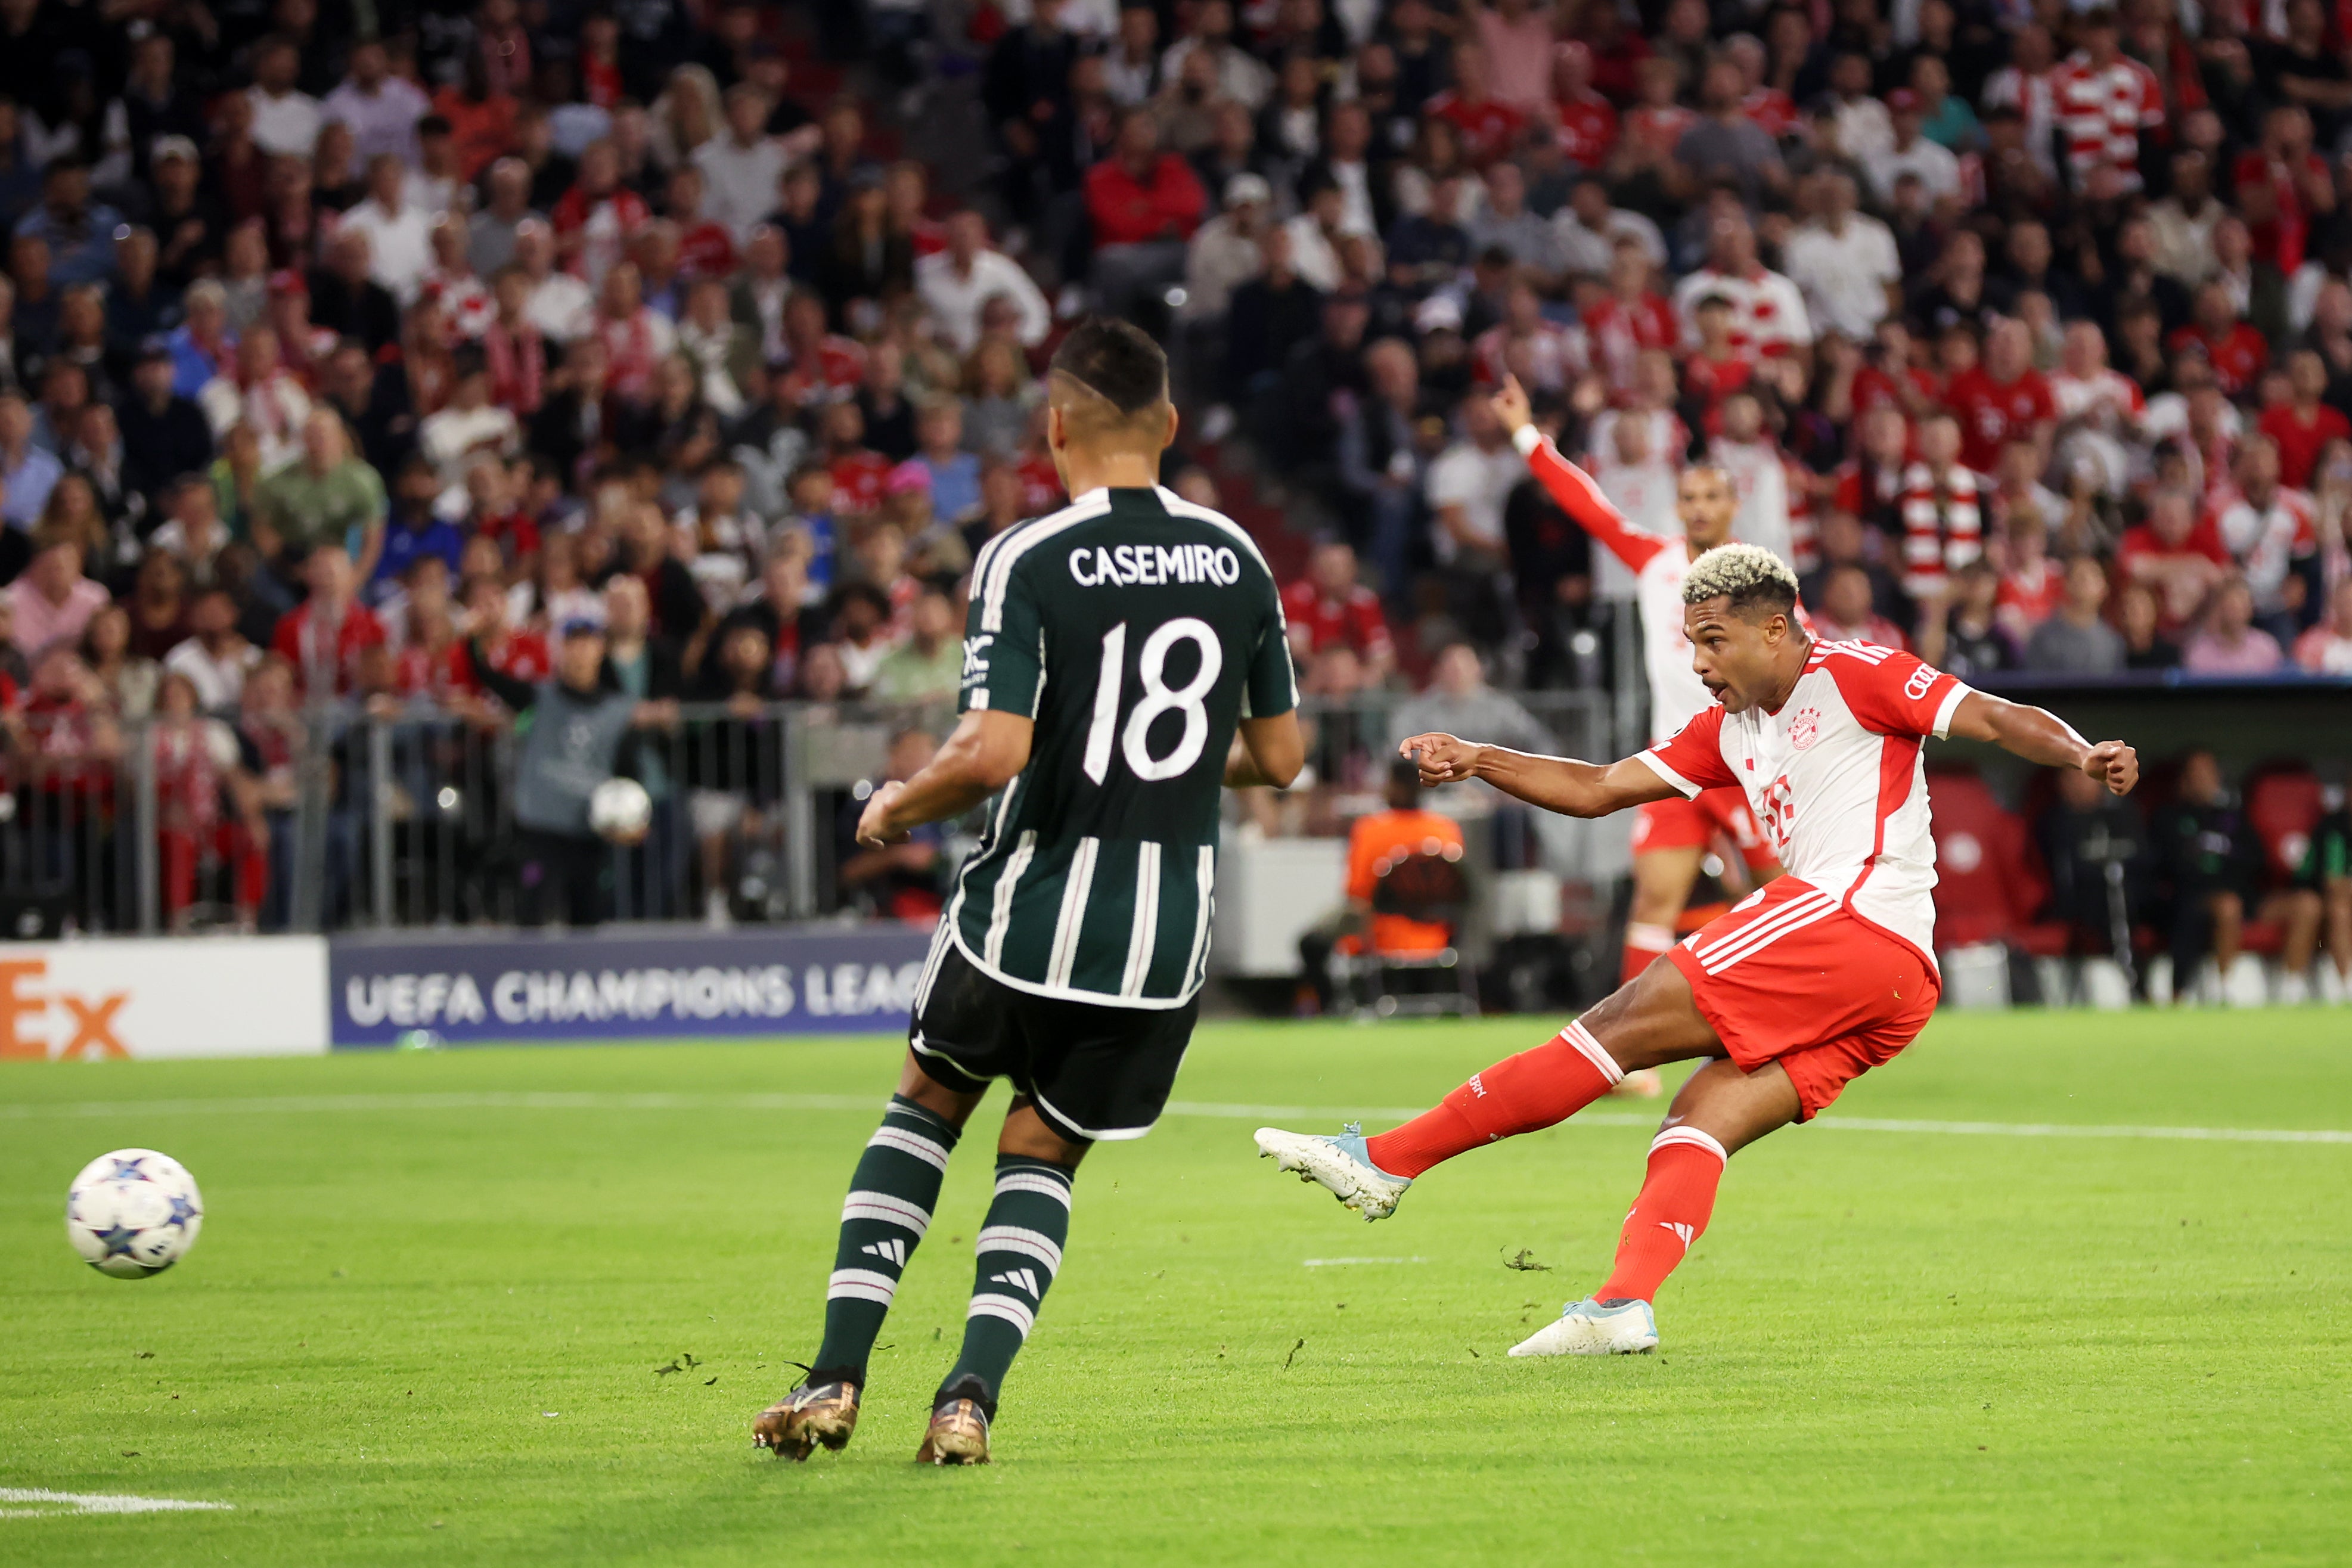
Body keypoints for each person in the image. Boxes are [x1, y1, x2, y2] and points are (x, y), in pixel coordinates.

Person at [1255, 542, 2139, 1356]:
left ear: (1775, 627)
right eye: (1690, 643)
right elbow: (1601, 786)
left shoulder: (1856, 673)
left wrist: (2078, 754)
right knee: (1701, 1112)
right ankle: (1621, 1303)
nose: (1699, 661)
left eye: (1713, 640)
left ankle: (1387, 1160)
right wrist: (1479, 755)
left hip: (1849, 920)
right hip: (1895, 985)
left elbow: (1986, 713)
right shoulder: (1727, 729)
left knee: (1616, 1022)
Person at [752, 318, 1302, 1467]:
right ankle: (966, 1403)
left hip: (1029, 911)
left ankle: (834, 1380)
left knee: (925, 1103)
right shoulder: (1239, 557)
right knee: (1043, 1156)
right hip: (1160, 947)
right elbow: (1281, 758)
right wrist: (1165, 761)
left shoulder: (1028, 556)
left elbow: (993, 752)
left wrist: (902, 802)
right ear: (1171, 426)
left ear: (1054, 427)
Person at [1491, 375, 1782, 994]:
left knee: (1789, 895)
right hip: (1677, 759)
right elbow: (1585, 504)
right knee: (1654, 900)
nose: (1699, 507)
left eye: (1711, 496)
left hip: (1750, 761)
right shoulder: (1655, 564)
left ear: (1732, 506)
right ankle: (1632, 1056)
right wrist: (1525, 435)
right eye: (1689, 497)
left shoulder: (1762, 582)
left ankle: (1856, 1001)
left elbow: (1807, 668)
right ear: (1677, 507)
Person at [467, 616, 677, 926]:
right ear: (562, 651)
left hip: (589, 831)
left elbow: (628, 770)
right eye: (572, 644)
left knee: (588, 920)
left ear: (600, 651)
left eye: (587, 644)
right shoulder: (539, 697)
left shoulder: (618, 710)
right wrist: (472, 640)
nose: (580, 652)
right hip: (540, 830)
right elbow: (489, 677)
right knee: (532, 917)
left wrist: (636, 816)